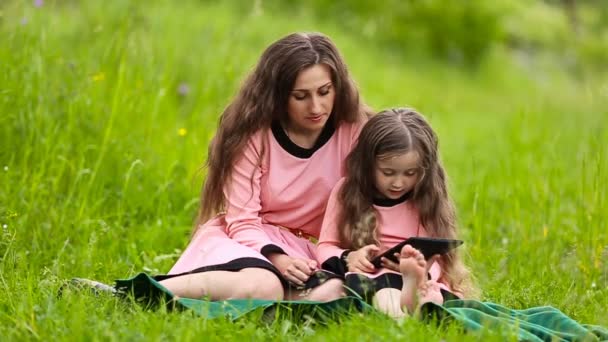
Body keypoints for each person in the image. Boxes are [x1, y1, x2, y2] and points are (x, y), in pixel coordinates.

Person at [155, 32, 371, 302]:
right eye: (300, 96)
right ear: (279, 96)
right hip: (248, 243)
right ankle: (145, 292)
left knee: (338, 292)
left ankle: (264, 307)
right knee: (264, 286)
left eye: (324, 92)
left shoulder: (355, 131)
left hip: (309, 255)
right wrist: (278, 259)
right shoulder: (253, 135)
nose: (316, 106)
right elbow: (242, 220)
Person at [316, 108, 477, 319]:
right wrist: (349, 257)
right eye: (388, 173)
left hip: (415, 279)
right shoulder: (346, 191)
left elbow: (438, 258)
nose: (399, 183)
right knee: (328, 293)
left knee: (419, 297)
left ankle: (411, 305)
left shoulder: (425, 198)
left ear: (424, 170)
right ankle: (409, 312)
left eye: (410, 173)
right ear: (367, 164)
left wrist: (419, 268)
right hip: (366, 276)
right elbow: (325, 246)